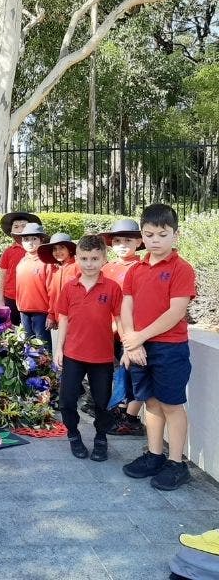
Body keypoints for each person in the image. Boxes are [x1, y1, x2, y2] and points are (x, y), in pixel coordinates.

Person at [121, 203, 196, 491]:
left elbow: (175, 312)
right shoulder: (136, 269)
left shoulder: (181, 269)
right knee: (150, 402)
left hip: (169, 348)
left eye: (163, 234)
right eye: (150, 234)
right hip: (140, 347)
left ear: (175, 235)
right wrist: (131, 340)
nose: (156, 240)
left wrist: (139, 337)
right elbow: (126, 305)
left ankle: (177, 463)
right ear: (142, 235)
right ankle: (154, 455)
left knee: (171, 404)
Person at [54, 235, 122, 461]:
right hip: (73, 354)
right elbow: (63, 319)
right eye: (84, 258)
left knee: (102, 401)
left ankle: (101, 437)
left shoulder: (112, 288)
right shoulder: (69, 287)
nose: (89, 263)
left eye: (94, 258)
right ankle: (73, 434)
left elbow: (121, 319)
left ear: (104, 259)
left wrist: (128, 347)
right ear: (77, 259)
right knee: (66, 400)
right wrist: (59, 348)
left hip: (102, 356)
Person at [100, 219, 146, 436]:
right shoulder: (107, 268)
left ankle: (129, 416)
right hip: (106, 331)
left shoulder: (141, 267)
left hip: (129, 331)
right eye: (117, 240)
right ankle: (117, 410)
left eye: (128, 240)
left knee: (131, 374)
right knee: (115, 372)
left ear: (138, 242)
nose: (122, 244)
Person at [0, 212, 41, 326]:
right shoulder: (8, 251)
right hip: (11, 297)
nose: (20, 229)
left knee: (33, 333)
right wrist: (1, 300)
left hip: (32, 299)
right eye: (16, 226)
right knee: (12, 329)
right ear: (11, 231)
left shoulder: (39, 251)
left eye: (24, 226)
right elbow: (2, 276)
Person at [14, 222, 52, 351]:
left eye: (34, 239)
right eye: (26, 239)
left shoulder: (45, 262)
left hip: (41, 311)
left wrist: (52, 313)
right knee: (28, 344)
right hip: (24, 310)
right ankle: (32, 370)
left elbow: (52, 289)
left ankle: (47, 371)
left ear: (41, 240)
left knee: (42, 346)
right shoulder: (22, 261)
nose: (30, 242)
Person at [37, 232, 78, 331]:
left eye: (61, 248)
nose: (57, 251)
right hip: (60, 319)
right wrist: (51, 314)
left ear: (70, 250)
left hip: (76, 319)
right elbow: (52, 294)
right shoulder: (55, 269)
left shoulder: (78, 267)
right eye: (54, 249)